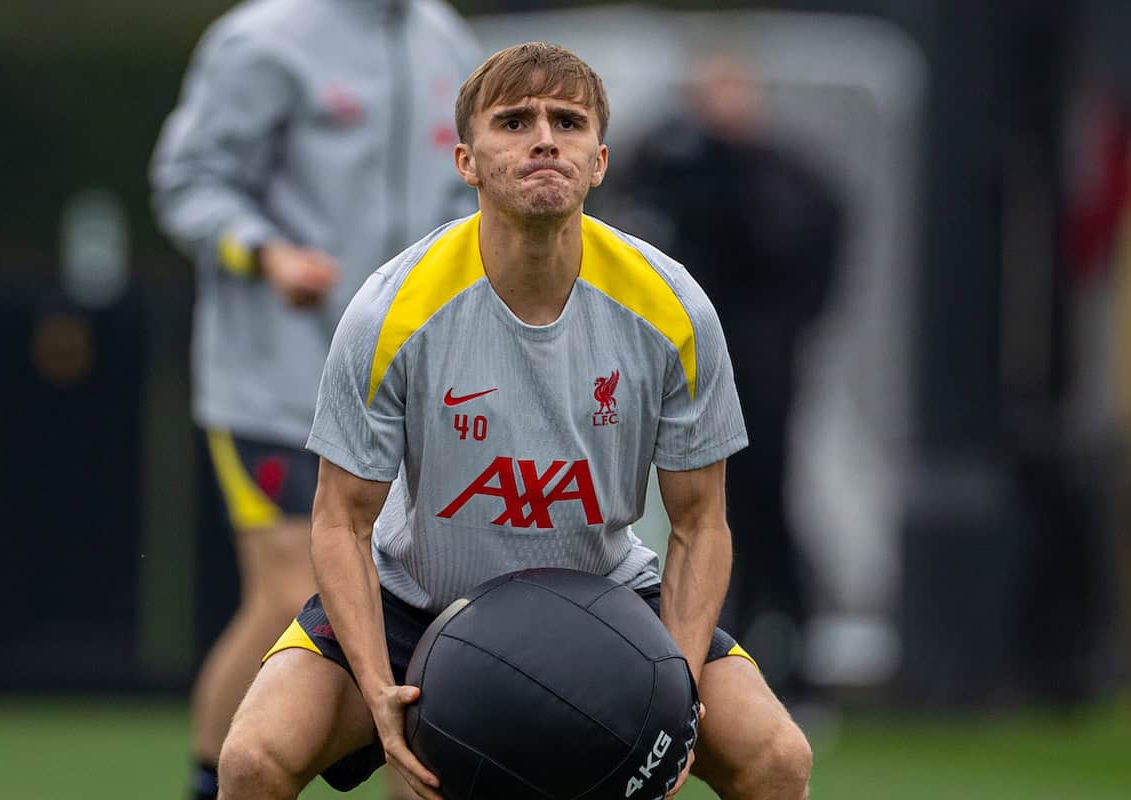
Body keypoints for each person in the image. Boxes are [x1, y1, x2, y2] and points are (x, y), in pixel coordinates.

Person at [217, 42, 813, 800]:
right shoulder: (388, 311)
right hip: (413, 603)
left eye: (568, 121)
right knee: (252, 762)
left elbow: (700, 526)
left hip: (604, 602)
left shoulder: (674, 309)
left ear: (599, 159)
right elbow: (341, 523)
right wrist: (375, 687)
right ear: (466, 160)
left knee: (778, 759)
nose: (544, 138)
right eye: (514, 121)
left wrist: (678, 691)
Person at [148, 2, 479, 798]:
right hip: (275, 385)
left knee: (433, 616)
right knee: (295, 597)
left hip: (408, 390)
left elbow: (470, 195)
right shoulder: (263, 39)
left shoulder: (448, 41)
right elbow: (186, 182)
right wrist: (264, 253)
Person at [611, 57, 843, 697]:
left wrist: (792, 330)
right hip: (678, 366)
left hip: (759, 373)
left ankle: (787, 654)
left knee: (759, 508)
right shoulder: (668, 162)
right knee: (684, 505)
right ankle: (704, 641)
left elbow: (806, 250)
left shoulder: (784, 178)